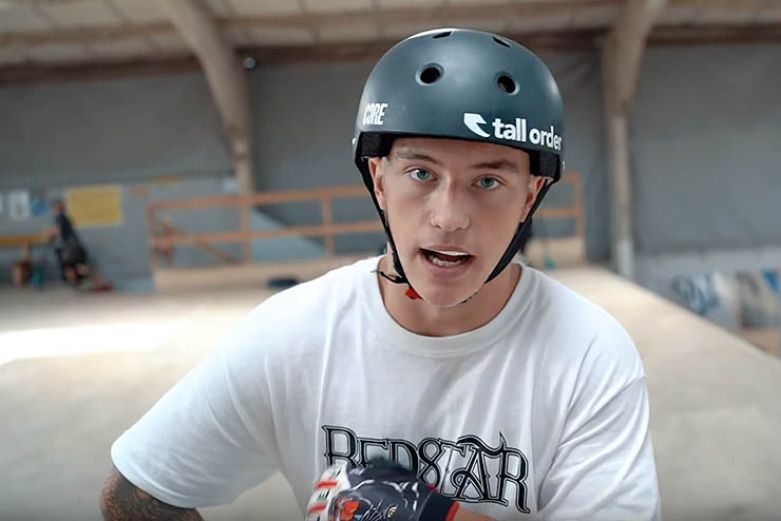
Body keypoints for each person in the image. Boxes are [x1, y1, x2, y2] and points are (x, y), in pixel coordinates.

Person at [101, 28, 660, 521]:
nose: (449, 217)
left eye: (488, 181)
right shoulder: (292, 335)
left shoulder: (589, 353)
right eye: (421, 172)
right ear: (379, 180)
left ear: (530, 195)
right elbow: (134, 495)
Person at [47, 200, 111, 291]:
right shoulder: (65, 217)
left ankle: (92, 283)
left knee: (70, 267)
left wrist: (49, 232)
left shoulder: (60, 217)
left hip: (70, 248)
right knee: (79, 266)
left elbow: (58, 231)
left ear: (55, 209)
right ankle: (98, 282)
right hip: (74, 246)